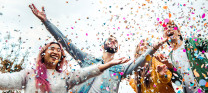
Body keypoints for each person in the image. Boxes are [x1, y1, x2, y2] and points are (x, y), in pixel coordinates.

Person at [29, 4, 168, 92]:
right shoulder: (87, 59)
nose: (113, 41)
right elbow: (65, 42)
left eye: (115, 41)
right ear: (103, 45)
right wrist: (46, 22)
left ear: (117, 48)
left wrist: (154, 47)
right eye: (110, 39)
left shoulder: (120, 68)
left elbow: (139, 62)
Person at [162, 5, 208, 93]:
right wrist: (170, 68)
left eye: (171, 27)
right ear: (164, 37)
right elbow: (178, 82)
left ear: (178, 32)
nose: (168, 29)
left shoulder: (193, 42)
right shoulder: (170, 57)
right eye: (165, 29)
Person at [0, 42, 129, 93]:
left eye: (58, 50)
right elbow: (5, 80)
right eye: (52, 48)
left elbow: (88, 72)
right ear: (43, 53)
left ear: (61, 57)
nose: (56, 51)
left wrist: (109, 64)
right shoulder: (28, 74)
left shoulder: (65, 77)